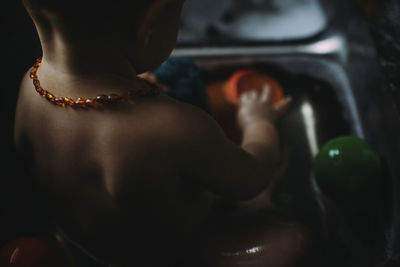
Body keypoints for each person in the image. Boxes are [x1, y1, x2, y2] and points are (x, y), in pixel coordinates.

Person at [13, 0, 292, 266]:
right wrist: (258, 123)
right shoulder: (175, 127)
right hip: (173, 253)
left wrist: (127, 86)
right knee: (293, 240)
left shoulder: (29, 86)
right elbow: (251, 178)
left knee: (178, 73)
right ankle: (263, 205)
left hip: (81, 241)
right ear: (150, 24)